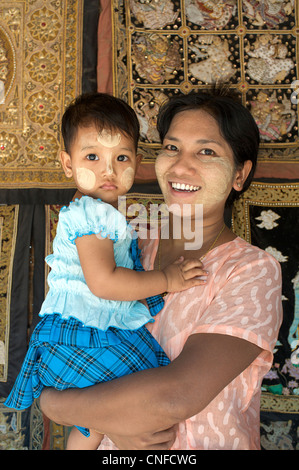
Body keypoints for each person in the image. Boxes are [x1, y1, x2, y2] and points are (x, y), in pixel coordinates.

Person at [40, 86, 283, 450]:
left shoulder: (250, 270)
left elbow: (176, 397)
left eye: (206, 151)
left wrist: (58, 405)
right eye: (171, 147)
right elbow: (66, 333)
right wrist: (84, 412)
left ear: (240, 174)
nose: (181, 166)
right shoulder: (128, 245)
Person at [4, 93, 206, 450]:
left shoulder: (107, 215)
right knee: (139, 404)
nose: (108, 170)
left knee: (93, 426)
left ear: (138, 163)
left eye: (121, 157)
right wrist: (167, 279)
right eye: (92, 157)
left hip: (84, 336)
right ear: (68, 164)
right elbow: (104, 283)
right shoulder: (91, 215)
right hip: (86, 338)